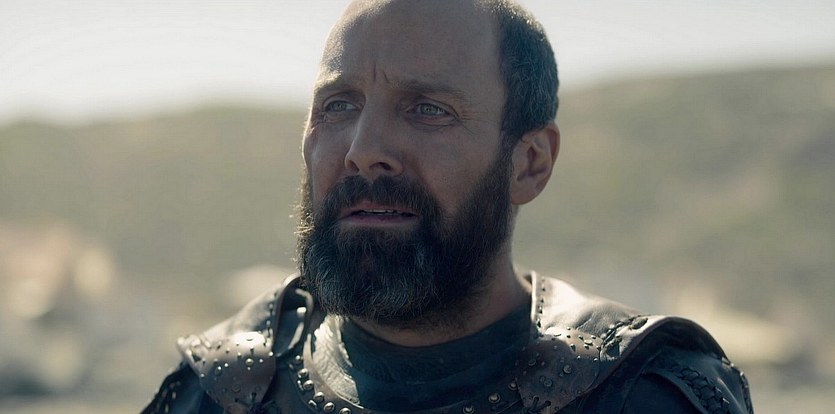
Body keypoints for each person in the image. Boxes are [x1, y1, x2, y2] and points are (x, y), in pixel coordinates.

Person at [143, 0, 753, 413]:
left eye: (428, 110)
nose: (364, 152)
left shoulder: (640, 393)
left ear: (530, 162)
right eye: (338, 106)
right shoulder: (222, 389)